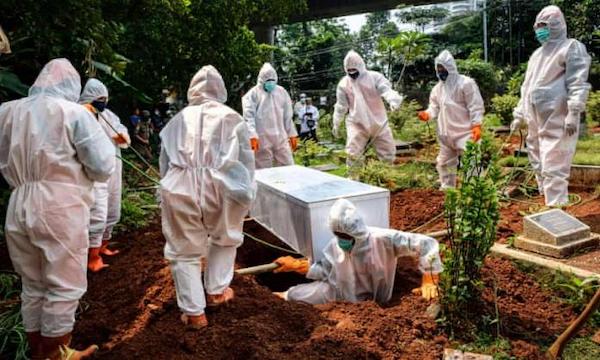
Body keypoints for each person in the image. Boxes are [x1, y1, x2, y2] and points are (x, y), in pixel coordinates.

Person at [0, 59, 115, 359]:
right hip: (60, 204)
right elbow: (103, 166)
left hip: (19, 200)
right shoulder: (74, 112)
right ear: (72, 87)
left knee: (33, 282)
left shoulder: (7, 111)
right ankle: (56, 354)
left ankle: (39, 352)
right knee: (64, 284)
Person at [160, 65, 256, 329]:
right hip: (222, 184)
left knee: (184, 250)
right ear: (220, 90)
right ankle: (216, 291)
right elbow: (246, 162)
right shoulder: (232, 117)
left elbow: (165, 161)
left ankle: (194, 314)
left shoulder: (176, 120)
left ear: (193, 89)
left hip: (179, 185)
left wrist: (166, 190)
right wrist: (247, 194)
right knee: (225, 238)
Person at [273, 198, 442, 304]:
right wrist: (295, 265)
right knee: (292, 295)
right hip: (340, 295)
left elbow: (427, 244)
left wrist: (429, 280)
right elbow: (326, 270)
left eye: (344, 235)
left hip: (379, 302)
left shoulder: (383, 240)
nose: (341, 239)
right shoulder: (335, 245)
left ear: (356, 232)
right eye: (337, 234)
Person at [511, 5, 591, 206]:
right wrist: (519, 115)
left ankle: (556, 207)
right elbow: (526, 87)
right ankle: (546, 201)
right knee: (537, 157)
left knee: (554, 160)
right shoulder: (537, 55)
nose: (539, 29)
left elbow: (577, 81)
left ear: (556, 25)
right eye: (537, 26)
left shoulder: (571, 47)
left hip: (558, 114)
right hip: (535, 116)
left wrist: (574, 111)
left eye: (544, 25)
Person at [79, 78, 131, 272]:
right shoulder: (79, 115)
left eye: (105, 98)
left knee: (112, 208)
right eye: (99, 98)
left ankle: (103, 247)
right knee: (96, 213)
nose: (103, 101)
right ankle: (92, 257)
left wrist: (122, 137)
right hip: (92, 173)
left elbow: (124, 133)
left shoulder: (108, 115)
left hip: (113, 169)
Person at [418, 50, 485, 189]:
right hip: (446, 135)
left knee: (471, 162)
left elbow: (475, 105)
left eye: (442, 68)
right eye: (438, 68)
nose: (440, 71)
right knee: (445, 163)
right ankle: (448, 190)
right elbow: (434, 107)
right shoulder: (437, 89)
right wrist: (427, 114)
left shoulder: (466, 83)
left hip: (465, 133)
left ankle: (474, 191)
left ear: (450, 67)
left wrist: (477, 124)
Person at [333, 50, 403, 166]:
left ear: (361, 66)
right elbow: (341, 106)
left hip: (379, 121)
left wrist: (393, 100)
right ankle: (354, 179)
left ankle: (387, 176)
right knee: (353, 153)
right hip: (356, 123)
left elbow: (386, 90)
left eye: (354, 70)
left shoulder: (374, 77)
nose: (352, 73)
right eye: (349, 71)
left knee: (388, 152)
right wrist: (336, 122)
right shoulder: (343, 84)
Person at [242, 62, 298, 169]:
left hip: (280, 138)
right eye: (268, 80)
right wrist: (252, 135)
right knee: (263, 172)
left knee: (288, 167)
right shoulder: (253, 94)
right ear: (262, 80)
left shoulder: (281, 92)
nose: (270, 83)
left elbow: (287, 116)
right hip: (262, 138)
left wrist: (292, 134)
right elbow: (249, 118)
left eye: (273, 80)